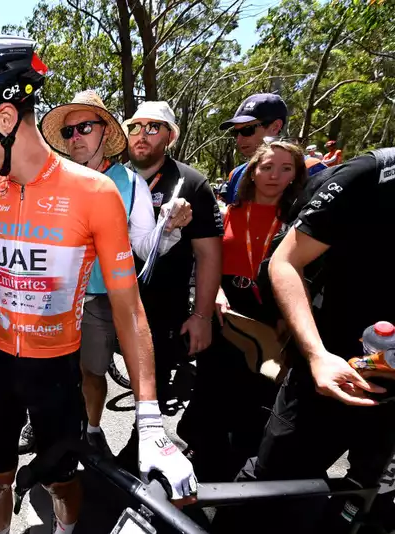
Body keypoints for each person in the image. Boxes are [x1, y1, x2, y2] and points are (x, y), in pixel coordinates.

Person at [0, 35, 196, 534]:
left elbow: (130, 309)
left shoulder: (95, 193)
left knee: (61, 481)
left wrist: (150, 419)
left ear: (4, 119)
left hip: (56, 365)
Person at [213, 149, 395, 533]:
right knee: (271, 479)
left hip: (388, 391)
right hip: (330, 367)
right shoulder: (371, 175)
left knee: (366, 492)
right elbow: (285, 261)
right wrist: (316, 355)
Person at [38, 89, 192, 457]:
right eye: (68, 132)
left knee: (93, 374)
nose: (75, 138)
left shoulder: (130, 183)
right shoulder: (52, 181)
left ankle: (92, 431)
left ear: (105, 131)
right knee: (58, 373)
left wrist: (168, 228)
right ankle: (56, 428)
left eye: (84, 128)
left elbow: (143, 245)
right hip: (57, 301)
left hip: (107, 301)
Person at [178, 141, 308, 481]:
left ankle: (241, 473)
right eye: (267, 167)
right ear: (253, 171)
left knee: (257, 394)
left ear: (296, 175)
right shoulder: (225, 213)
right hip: (225, 314)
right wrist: (215, 291)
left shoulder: (298, 222)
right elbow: (205, 261)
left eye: (285, 169)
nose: (274, 176)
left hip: (270, 317)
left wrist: (289, 318)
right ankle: (201, 461)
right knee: (212, 388)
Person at [122, 101, 224, 410]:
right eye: (135, 127)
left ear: (170, 136)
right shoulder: (114, 178)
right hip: (112, 302)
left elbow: (208, 254)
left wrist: (202, 316)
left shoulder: (192, 183)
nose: (142, 134)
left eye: (153, 128)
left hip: (164, 309)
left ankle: (140, 448)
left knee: (153, 386)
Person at [220, 93, 289, 204]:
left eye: (247, 130)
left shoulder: (310, 170)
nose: (239, 139)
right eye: (235, 133)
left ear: (275, 127)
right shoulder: (236, 174)